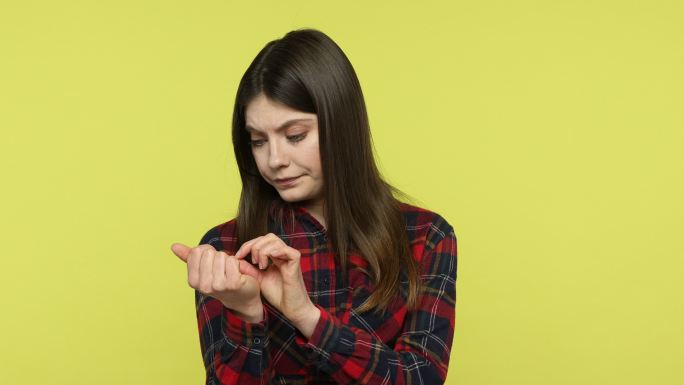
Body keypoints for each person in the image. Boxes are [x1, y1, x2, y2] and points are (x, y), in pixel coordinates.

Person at [170, 28, 458, 385]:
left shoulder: (425, 237)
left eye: (295, 136)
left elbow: (421, 377)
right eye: (258, 141)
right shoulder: (226, 250)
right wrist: (244, 313)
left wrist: (308, 318)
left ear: (341, 125)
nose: (274, 160)